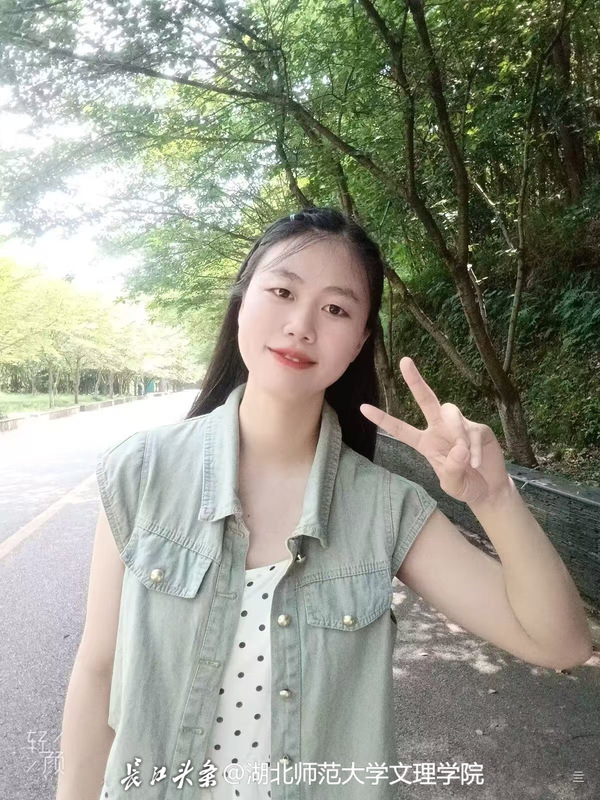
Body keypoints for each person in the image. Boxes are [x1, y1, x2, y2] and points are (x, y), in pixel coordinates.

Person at [57, 207, 592, 800]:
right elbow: (98, 672)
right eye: (282, 292)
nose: (301, 326)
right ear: (242, 299)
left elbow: (559, 643)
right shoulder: (142, 471)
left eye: (336, 309)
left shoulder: (384, 509)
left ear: (360, 341)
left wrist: (496, 499)